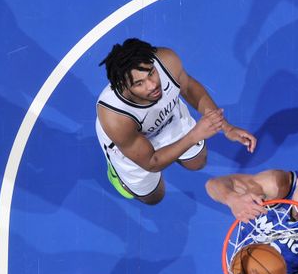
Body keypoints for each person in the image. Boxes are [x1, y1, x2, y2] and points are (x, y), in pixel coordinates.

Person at [96, 38, 257, 205]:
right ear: (124, 86)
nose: (152, 85)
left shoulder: (166, 61)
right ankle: (117, 173)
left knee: (198, 162)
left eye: (151, 72)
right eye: (139, 83)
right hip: (132, 147)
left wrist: (226, 127)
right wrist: (194, 136)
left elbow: (189, 88)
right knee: (154, 197)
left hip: (169, 119)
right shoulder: (115, 118)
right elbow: (152, 162)